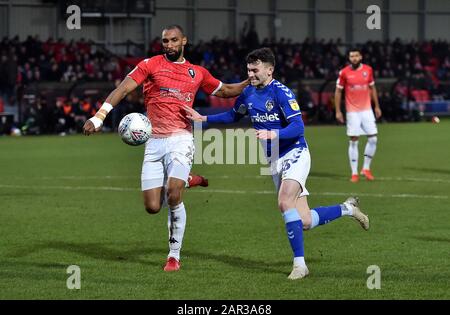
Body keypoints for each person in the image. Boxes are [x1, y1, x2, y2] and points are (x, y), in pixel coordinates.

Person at [185, 48, 370, 280]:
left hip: (296, 153)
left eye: (255, 70)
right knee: (304, 221)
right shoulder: (248, 93)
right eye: (248, 69)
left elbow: (298, 127)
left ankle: (300, 265)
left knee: (284, 202)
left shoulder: (282, 93)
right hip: (274, 161)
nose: (250, 74)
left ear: (269, 70)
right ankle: (348, 209)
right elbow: (234, 115)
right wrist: (204, 119)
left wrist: (273, 133)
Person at [83, 25, 248, 271]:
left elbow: (225, 90)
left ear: (184, 41)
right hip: (154, 142)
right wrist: (99, 116)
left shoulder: (197, 72)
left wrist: (251, 81)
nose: (169, 45)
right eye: (165, 41)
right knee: (152, 207)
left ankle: (173, 255)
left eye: (173, 40)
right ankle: (187, 179)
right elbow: (124, 88)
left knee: (172, 193)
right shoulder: (150, 65)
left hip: (181, 138)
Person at [334, 48, 382, 182]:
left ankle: (366, 168)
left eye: (356, 55)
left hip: (367, 110)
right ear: (349, 58)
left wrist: (377, 106)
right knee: (354, 140)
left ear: (360, 57)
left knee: (373, 139)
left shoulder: (368, 70)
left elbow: (372, 88)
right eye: (351, 56)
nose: (354, 58)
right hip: (352, 111)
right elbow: (338, 92)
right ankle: (354, 172)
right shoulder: (344, 72)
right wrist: (338, 111)